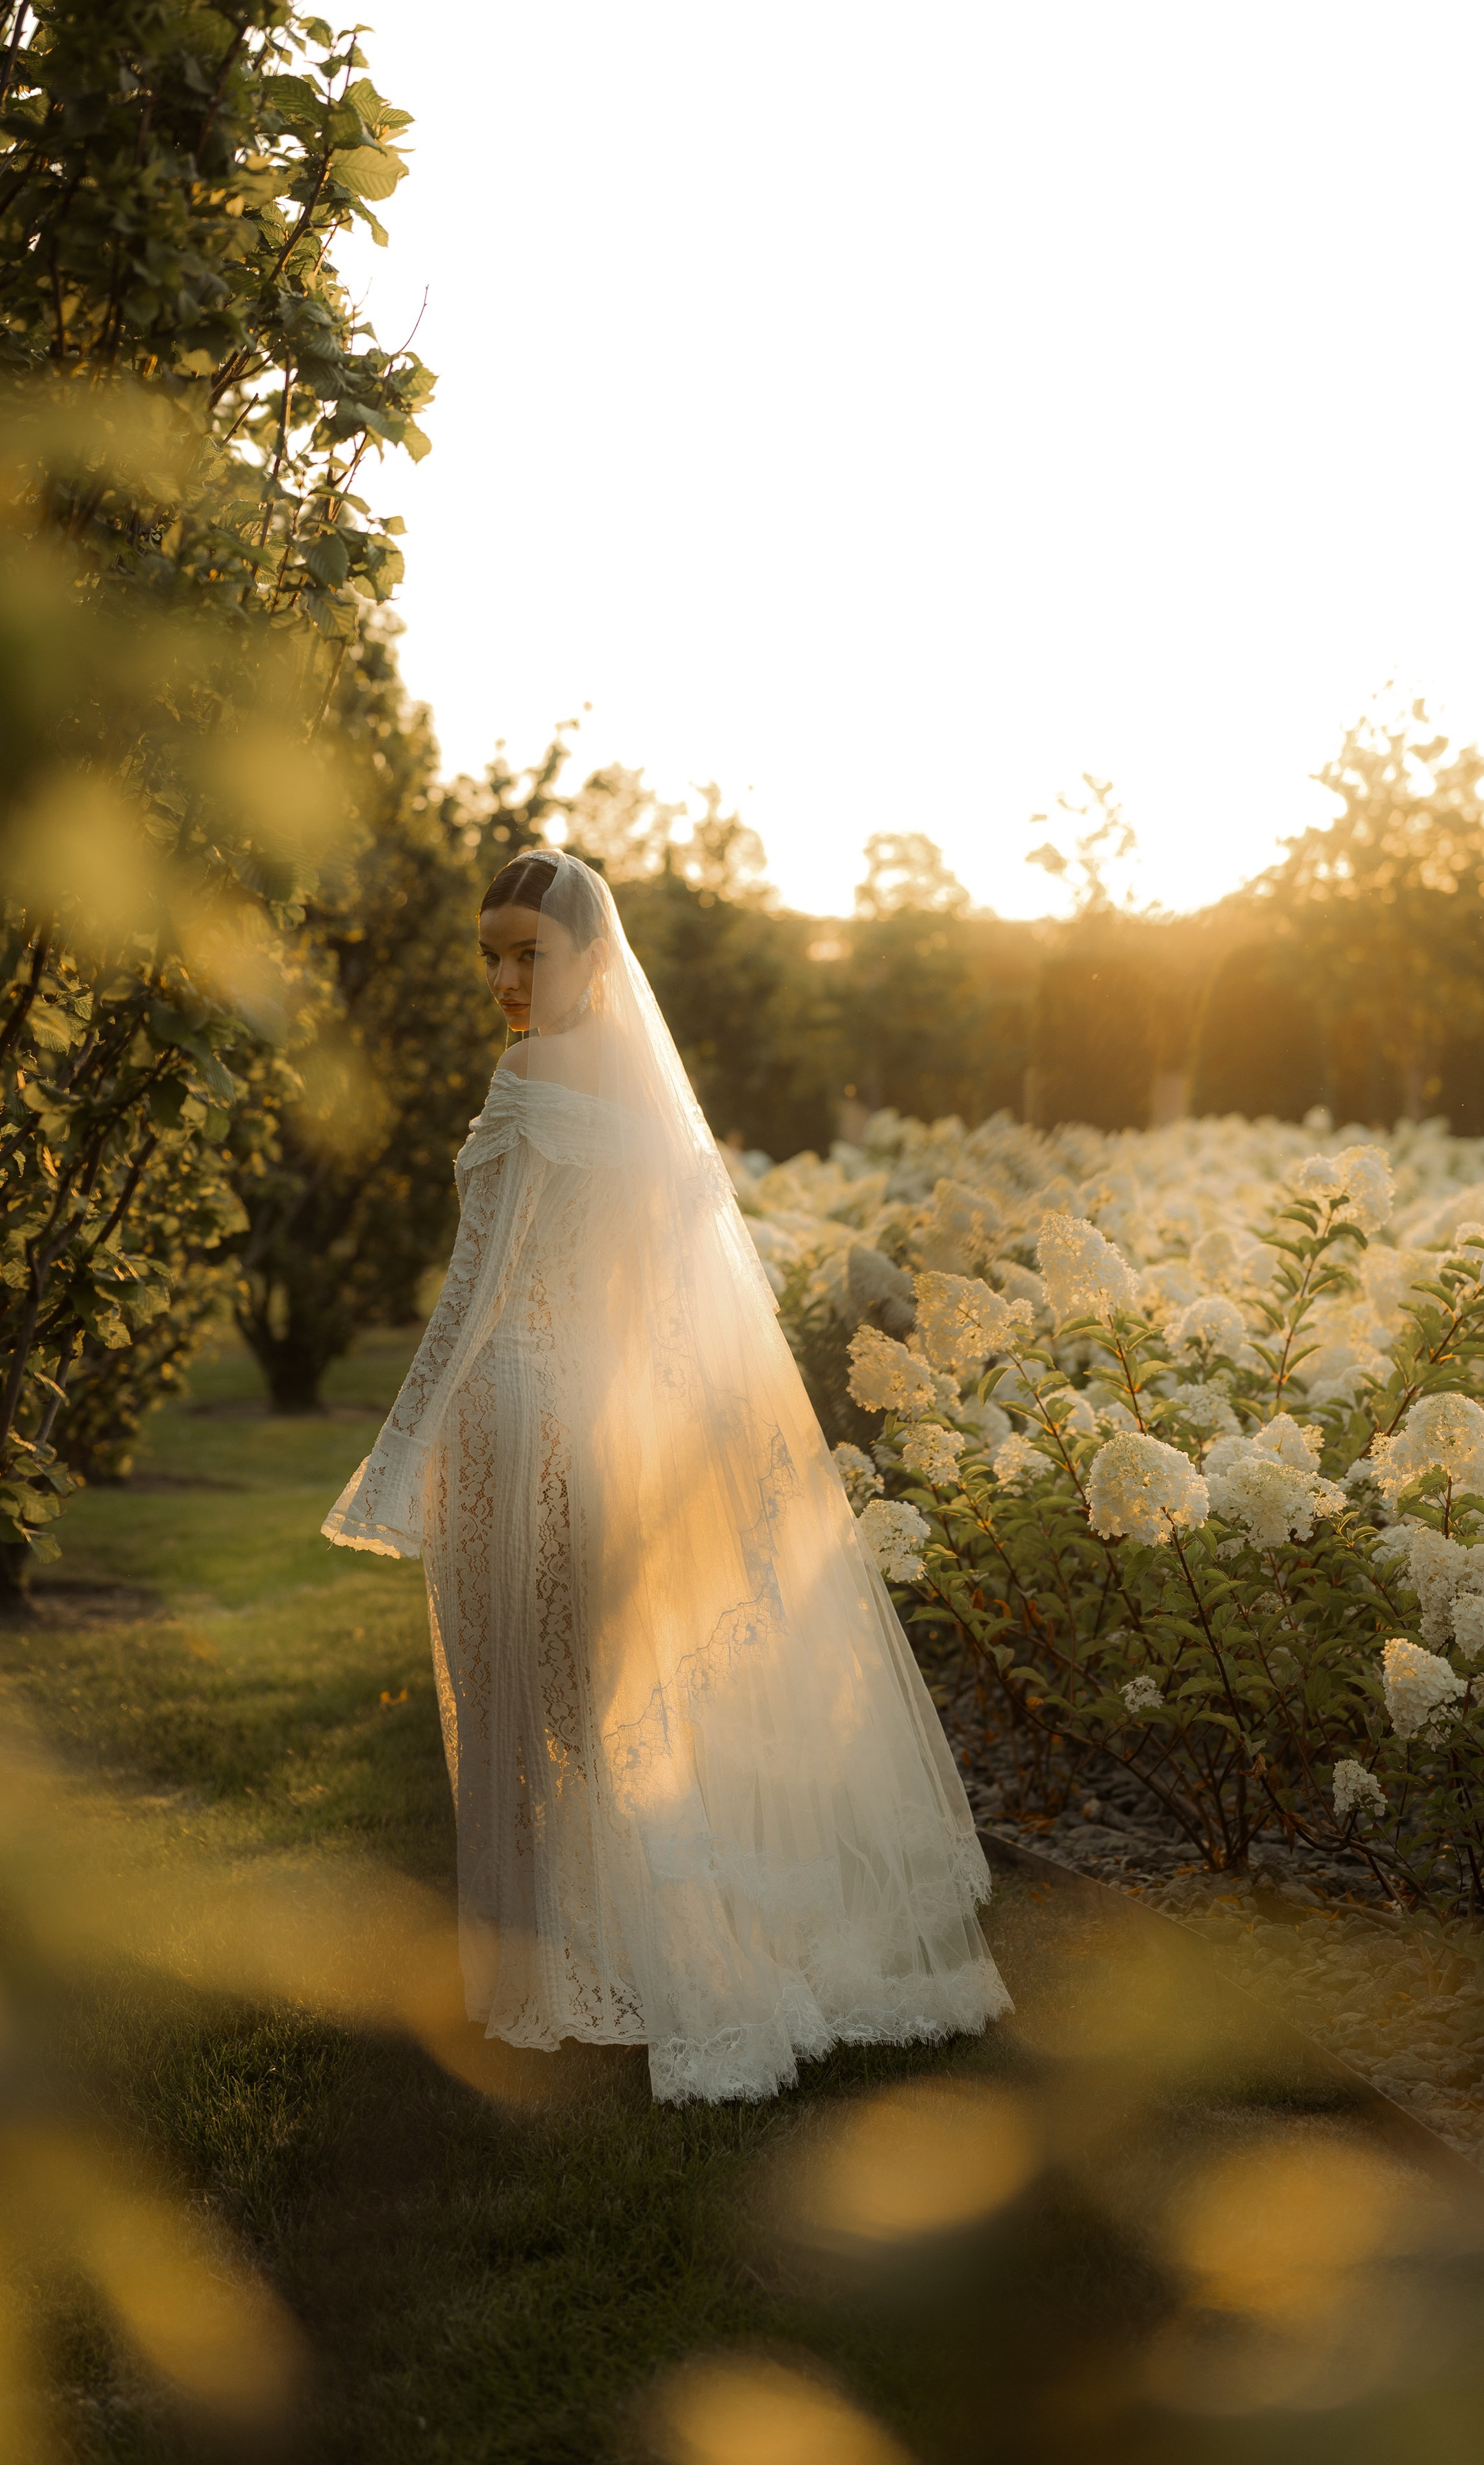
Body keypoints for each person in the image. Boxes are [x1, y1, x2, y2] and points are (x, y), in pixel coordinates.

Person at [324, 848, 1008, 2101]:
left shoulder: (530, 1078)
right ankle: (641, 1965)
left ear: (590, 955)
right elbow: (658, 1304)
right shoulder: (648, 1107)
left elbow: (474, 1296)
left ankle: (554, 1982)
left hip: (516, 1416)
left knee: (529, 1703)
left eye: (527, 952)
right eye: (490, 956)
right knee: (605, 1701)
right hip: (606, 1417)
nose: (504, 980)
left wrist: (398, 1456)